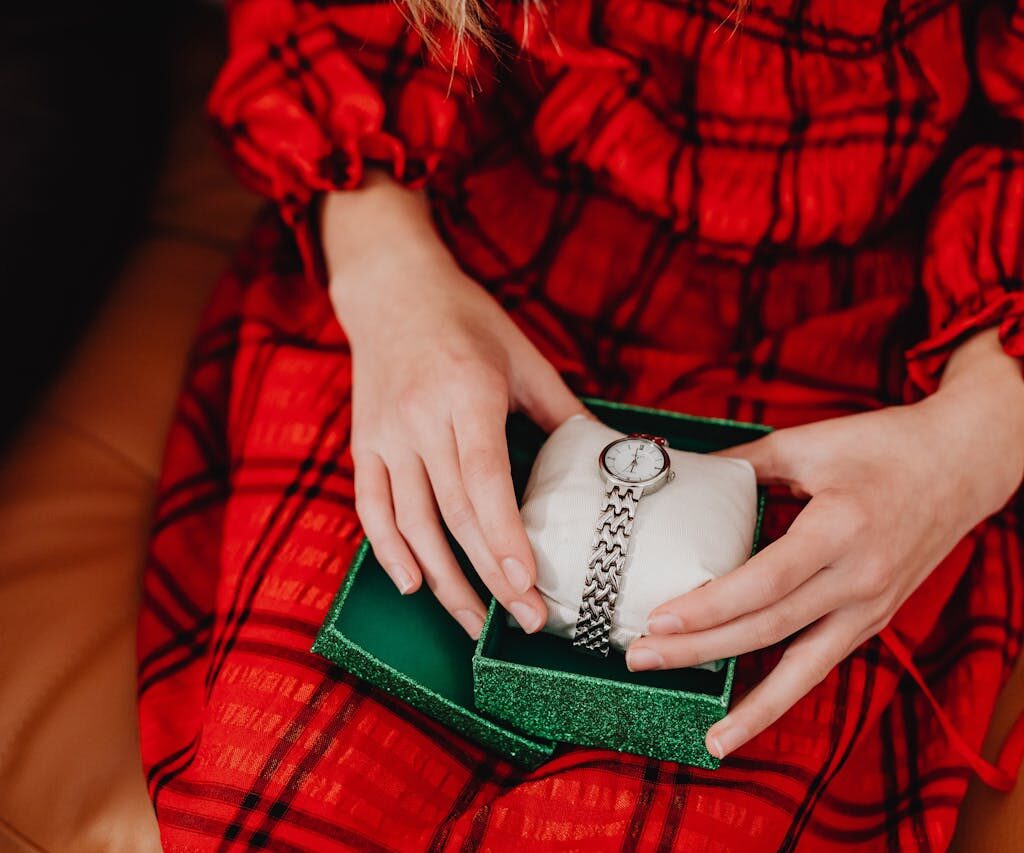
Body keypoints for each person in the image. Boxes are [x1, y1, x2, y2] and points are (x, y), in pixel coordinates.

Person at [138, 0, 1024, 848]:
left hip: (886, 330)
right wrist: (383, 267)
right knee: (292, 798)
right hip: (454, 238)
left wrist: (978, 434)